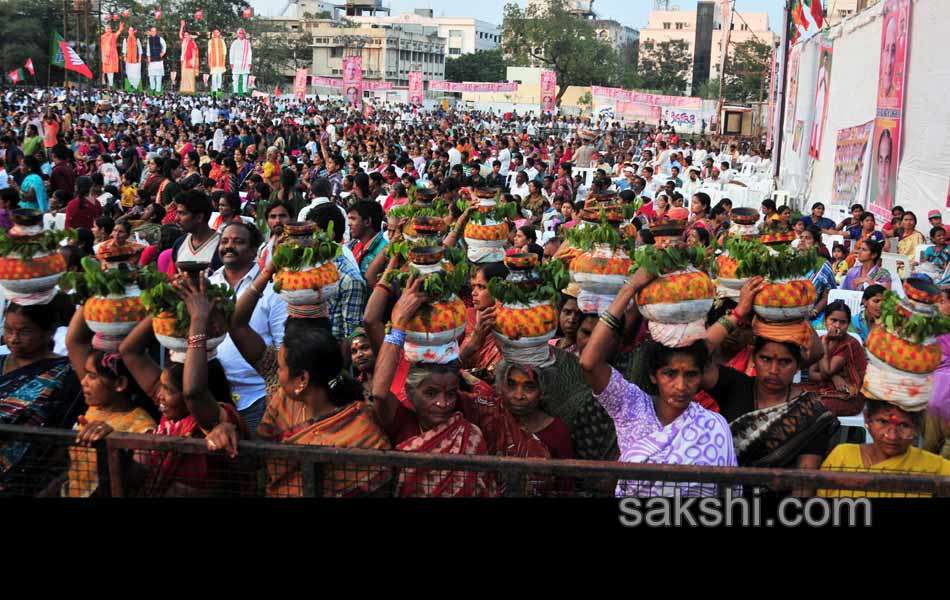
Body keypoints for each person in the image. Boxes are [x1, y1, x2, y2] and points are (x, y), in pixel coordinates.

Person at [579, 268, 737, 497]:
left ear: (701, 375)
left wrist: (738, 313)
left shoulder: (713, 425)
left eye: (691, 375)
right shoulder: (631, 406)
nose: (681, 386)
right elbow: (589, 363)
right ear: (654, 375)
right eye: (670, 374)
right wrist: (629, 289)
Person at [117, 278, 248, 497]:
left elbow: (194, 391)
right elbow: (129, 351)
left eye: (168, 390)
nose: (159, 395)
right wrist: (167, 303)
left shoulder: (213, 419)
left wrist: (198, 320)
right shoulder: (171, 413)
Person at [702, 279, 836, 481]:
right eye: (766, 359)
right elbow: (694, 358)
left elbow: (803, 485)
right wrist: (739, 312)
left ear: (798, 365)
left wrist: (795, 312)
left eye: (784, 362)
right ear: (754, 357)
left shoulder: (809, 412)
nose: (774, 370)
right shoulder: (735, 385)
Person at [63, 311, 156, 497]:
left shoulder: (144, 428)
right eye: (86, 374)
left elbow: (134, 483)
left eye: (92, 376)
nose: (83, 382)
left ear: (120, 384)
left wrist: (111, 444)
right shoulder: (96, 406)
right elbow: (73, 341)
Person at [209, 222, 286, 434]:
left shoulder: (272, 289)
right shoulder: (209, 284)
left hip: (259, 396)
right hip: (217, 397)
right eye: (224, 241)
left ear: (254, 250)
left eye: (238, 241)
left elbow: (282, 348)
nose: (229, 246)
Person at [0, 302, 83, 496]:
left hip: (31, 478)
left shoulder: (66, 372)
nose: (13, 339)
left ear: (48, 332)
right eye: (8, 329)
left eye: (24, 332)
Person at [819, 400, 950, 498]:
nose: (892, 436)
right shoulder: (842, 456)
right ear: (867, 419)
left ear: (916, 427)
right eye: (883, 422)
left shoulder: (934, 466)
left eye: (904, 425)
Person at [804, 302, 867, 417]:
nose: (837, 325)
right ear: (825, 321)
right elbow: (812, 374)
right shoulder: (821, 340)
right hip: (823, 388)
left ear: (848, 325)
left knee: (817, 406)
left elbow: (827, 370)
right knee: (792, 396)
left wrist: (824, 343)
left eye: (843, 322)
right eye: (833, 320)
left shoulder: (849, 344)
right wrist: (834, 377)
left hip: (849, 396)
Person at [171, 189, 222, 270]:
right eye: (177, 213)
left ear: (199, 217)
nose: (176, 219)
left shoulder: (222, 246)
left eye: (182, 213)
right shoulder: (179, 243)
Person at [346, 200, 387, 278]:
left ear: (367, 221)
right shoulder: (356, 245)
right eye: (349, 219)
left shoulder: (385, 251)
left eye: (353, 219)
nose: (349, 223)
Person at [100, 22, 125, 88]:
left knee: (110, 71)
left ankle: (110, 85)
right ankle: (104, 83)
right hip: (105, 56)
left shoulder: (113, 36)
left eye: (109, 28)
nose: (108, 30)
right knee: (104, 70)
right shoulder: (102, 37)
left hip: (111, 56)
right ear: (105, 30)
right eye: (107, 28)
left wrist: (120, 29)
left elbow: (118, 33)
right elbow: (102, 47)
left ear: (111, 29)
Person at [230, 28, 253, 95]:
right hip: (236, 62)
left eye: (242, 33)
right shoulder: (235, 43)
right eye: (240, 33)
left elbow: (249, 53)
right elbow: (231, 53)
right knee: (235, 79)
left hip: (245, 63)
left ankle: (245, 92)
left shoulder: (247, 43)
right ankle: (235, 92)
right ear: (237, 34)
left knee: (245, 78)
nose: (241, 35)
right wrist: (231, 62)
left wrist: (249, 62)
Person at [145, 26, 167, 93]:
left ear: (156, 32)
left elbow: (164, 46)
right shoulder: (149, 39)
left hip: (159, 60)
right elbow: (148, 49)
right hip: (151, 60)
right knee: (151, 76)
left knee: (158, 76)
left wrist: (162, 53)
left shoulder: (160, 39)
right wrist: (148, 56)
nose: (153, 32)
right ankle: (152, 88)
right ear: (150, 32)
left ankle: (158, 90)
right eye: (152, 31)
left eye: (154, 31)